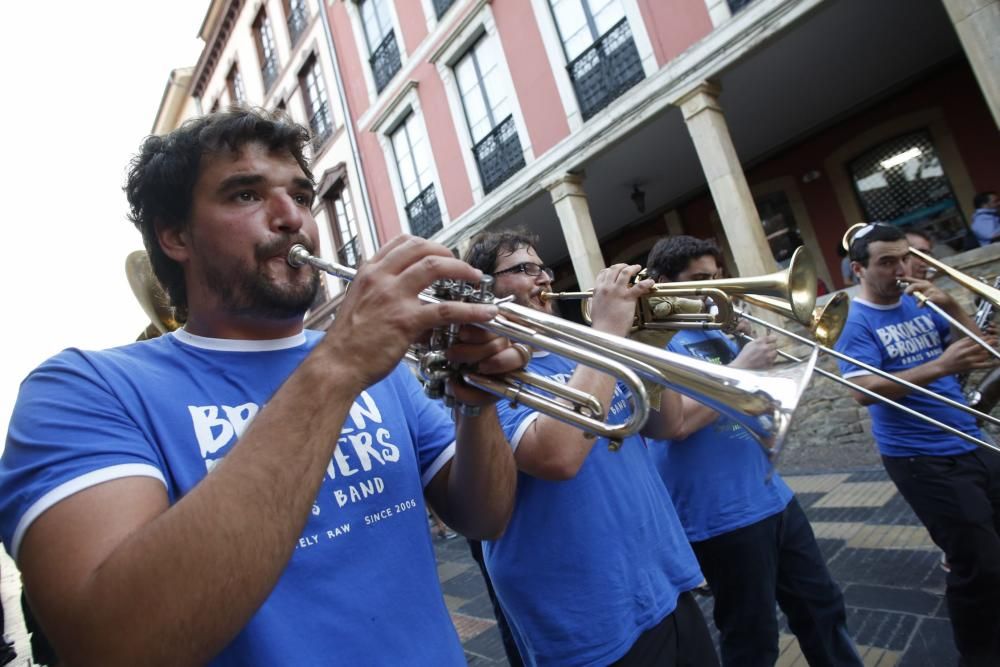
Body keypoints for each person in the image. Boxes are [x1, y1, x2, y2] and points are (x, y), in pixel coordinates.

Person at [0, 109, 521, 666]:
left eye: (301, 195)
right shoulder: (84, 389)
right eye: (246, 195)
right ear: (175, 235)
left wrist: (475, 407)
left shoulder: (382, 367)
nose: (291, 217)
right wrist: (338, 365)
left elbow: (484, 517)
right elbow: (114, 645)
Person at [464, 230, 718, 667]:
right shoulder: (483, 369)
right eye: (522, 269)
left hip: (659, 580)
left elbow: (662, 424)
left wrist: (646, 351)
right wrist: (608, 334)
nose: (542, 278)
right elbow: (557, 456)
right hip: (587, 609)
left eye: (541, 267)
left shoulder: (580, 350)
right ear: (483, 287)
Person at [645, 236, 862, 667]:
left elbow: (760, 399)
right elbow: (676, 426)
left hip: (773, 497)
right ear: (663, 283)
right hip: (719, 515)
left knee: (823, 610)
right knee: (752, 637)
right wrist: (742, 369)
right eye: (698, 279)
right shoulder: (654, 341)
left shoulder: (719, 326)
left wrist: (757, 359)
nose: (714, 287)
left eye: (716, 277)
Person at [835, 221, 1000, 666]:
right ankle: (979, 656)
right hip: (919, 457)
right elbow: (861, 390)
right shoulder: (853, 322)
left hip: (970, 435)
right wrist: (940, 366)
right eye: (886, 262)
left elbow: (980, 352)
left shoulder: (922, 303)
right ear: (858, 270)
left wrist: (952, 306)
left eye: (905, 257)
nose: (901, 268)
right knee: (977, 564)